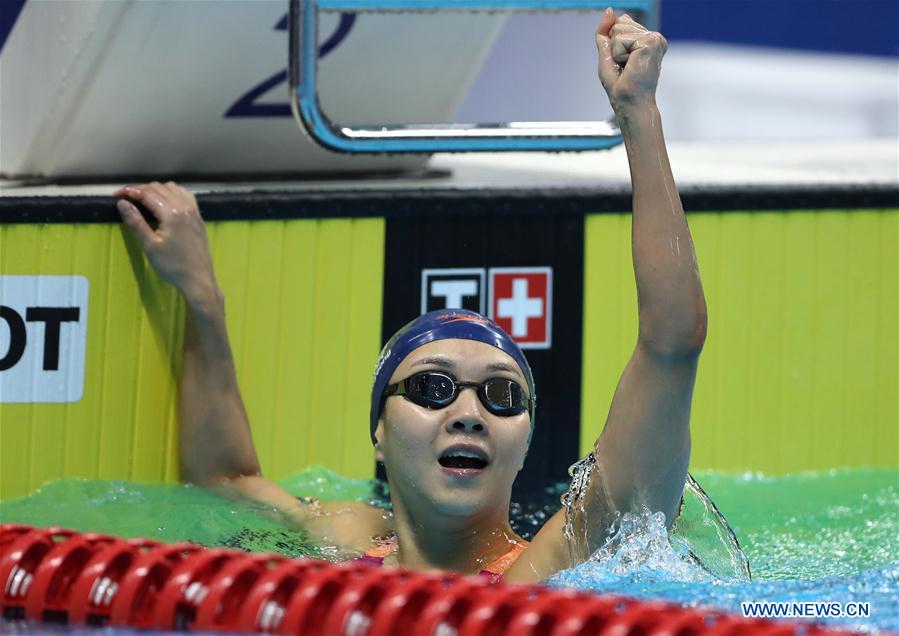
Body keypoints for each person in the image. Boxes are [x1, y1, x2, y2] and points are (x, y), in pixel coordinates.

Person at [114, 8, 706, 584]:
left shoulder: (552, 566)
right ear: (378, 431)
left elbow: (673, 342)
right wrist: (200, 298)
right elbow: (225, 481)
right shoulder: (345, 541)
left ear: (525, 444)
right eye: (431, 387)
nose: (469, 415)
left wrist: (637, 112)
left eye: (502, 396)